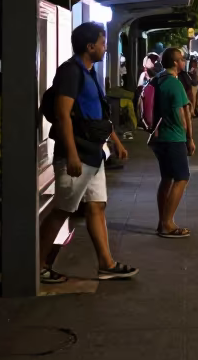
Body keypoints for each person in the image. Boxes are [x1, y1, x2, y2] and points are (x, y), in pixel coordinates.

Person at [39, 22, 137, 284]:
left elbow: (98, 114)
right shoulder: (71, 72)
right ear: (89, 46)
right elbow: (62, 115)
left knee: (96, 206)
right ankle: (35, 265)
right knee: (63, 209)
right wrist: (71, 154)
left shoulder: (90, 72)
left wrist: (115, 140)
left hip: (94, 154)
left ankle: (106, 264)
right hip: (78, 154)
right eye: (103, 43)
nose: (106, 48)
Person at [148, 47, 194, 238]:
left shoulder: (157, 79)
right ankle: (168, 223)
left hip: (159, 138)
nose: (184, 62)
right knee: (182, 178)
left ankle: (162, 222)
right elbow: (183, 115)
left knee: (167, 178)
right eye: (182, 59)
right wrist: (189, 138)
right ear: (175, 62)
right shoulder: (175, 84)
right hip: (173, 137)